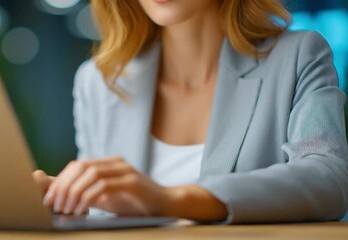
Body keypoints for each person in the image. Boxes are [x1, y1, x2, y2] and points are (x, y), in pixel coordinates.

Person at [33, 0, 348, 223]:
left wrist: (168, 200)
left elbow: (330, 180)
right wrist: (67, 202)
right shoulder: (99, 82)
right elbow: (105, 216)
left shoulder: (298, 55)